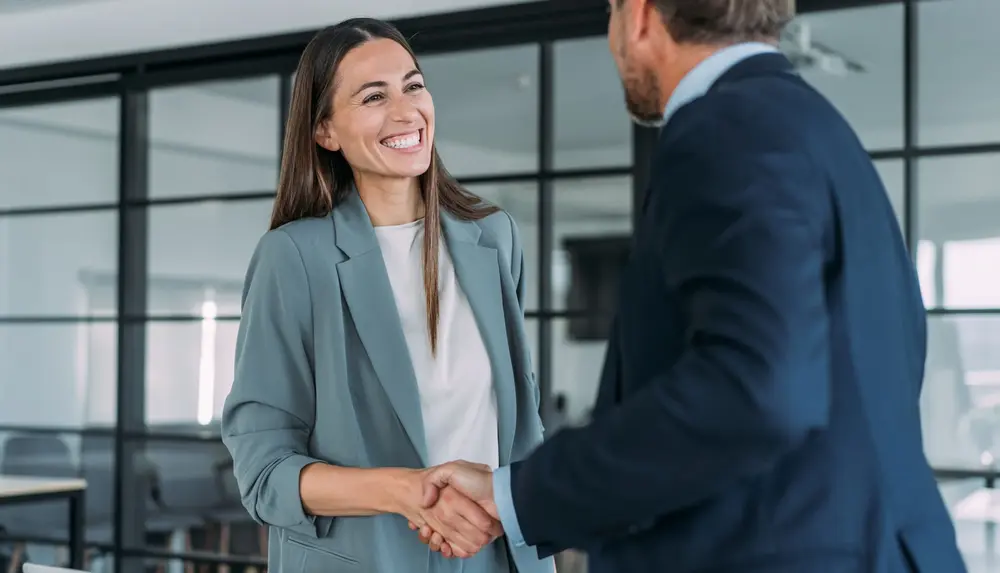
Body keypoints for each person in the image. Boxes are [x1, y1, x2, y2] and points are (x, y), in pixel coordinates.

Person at [417, 0, 968, 571]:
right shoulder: (820, 130)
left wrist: (520, 495)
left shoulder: (727, 129)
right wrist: (514, 495)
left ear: (640, 16)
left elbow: (757, 391)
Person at [220, 18, 553, 573]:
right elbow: (264, 472)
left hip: (498, 557)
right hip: (367, 559)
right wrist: (407, 490)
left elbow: (522, 424)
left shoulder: (494, 237)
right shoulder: (295, 258)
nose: (405, 111)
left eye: (413, 85)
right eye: (374, 96)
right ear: (325, 131)